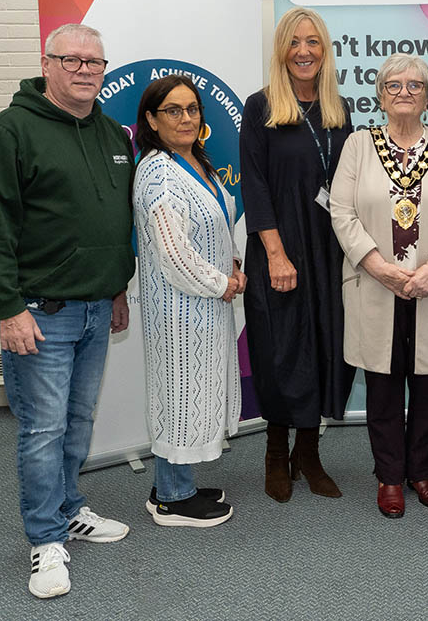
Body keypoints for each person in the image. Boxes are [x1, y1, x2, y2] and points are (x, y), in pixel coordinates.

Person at [0, 23, 134, 599]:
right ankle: (44, 541)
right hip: (41, 312)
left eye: (96, 61)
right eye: (72, 59)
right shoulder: (10, 132)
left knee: (78, 424)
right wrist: (8, 307)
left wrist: (117, 289)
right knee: (42, 430)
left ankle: (68, 509)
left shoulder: (114, 133)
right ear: (47, 63)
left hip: (94, 309)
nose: (85, 69)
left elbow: (115, 224)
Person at [330, 54, 428, 518]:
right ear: (380, 95)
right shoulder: (358, 145)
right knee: (383, 386)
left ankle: (422, 471)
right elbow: (341, 211)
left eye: (415, 85)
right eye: (394, 85)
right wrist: (379, 267)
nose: (405, 93)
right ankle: (390, 476)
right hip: (377, 284)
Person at [240, 7, 355, 502]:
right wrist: (275, 253)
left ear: (324, 51)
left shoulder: (340, 109)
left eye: (313, 42)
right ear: (282, 51)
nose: (304, 51)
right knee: (281, 349)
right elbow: (255, 184)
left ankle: (307, 452)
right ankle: (274, 449)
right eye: (294, 42)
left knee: (328, 346)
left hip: (330, 248)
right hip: (280, 245)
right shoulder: (260, 106)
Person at [133, 75, 246, 528]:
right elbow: (175, 253)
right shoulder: (159, 172)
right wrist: (223, 283)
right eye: (173, 111)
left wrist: (232, 264)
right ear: (151, 120)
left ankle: (174, 483)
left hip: (205, 305)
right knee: (180, 398)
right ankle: (172, 499)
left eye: (192, 109)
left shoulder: (193, 160)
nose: (186, 118)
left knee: (190, 395)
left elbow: (216, 222)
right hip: (181, 310)